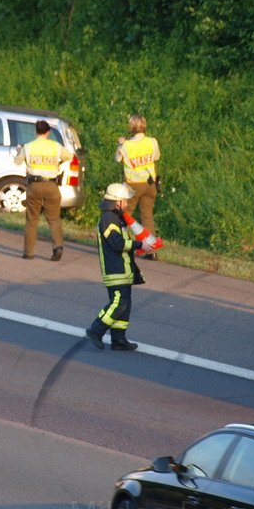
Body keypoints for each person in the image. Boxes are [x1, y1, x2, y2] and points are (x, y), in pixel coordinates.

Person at [85, 183, 148, 351]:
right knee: (119, 303)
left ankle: (118, 340)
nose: (126, 204)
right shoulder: (108, 219)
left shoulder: (116, 218)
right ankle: (96, 330)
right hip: (115, 270)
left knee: (125, 305)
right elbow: (117, 243)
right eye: (124, 201)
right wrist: (139, 244)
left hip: (123, 270)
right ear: (117, 201)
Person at [15, 119, 73, 261]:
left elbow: (17, 162)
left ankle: (28, 253)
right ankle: (57, 246)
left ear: (36, 131)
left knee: (31, 219)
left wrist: (19, 151)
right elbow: (70, 156)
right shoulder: (55, 146)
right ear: (48, 132)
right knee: (54, 219)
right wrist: (58, 162)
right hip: (52, 186)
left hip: (34, 186)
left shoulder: (28, 147)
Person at [115, 114, 160, 255]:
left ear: (131, 127)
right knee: (147, 216)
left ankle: (119, 245)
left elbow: (117, 159)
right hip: (150, 184)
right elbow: (157, 157)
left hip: (133, 185)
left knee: (123, 215)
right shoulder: (152, 141)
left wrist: (120, 144)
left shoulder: (127, 145)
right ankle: (151, 250)